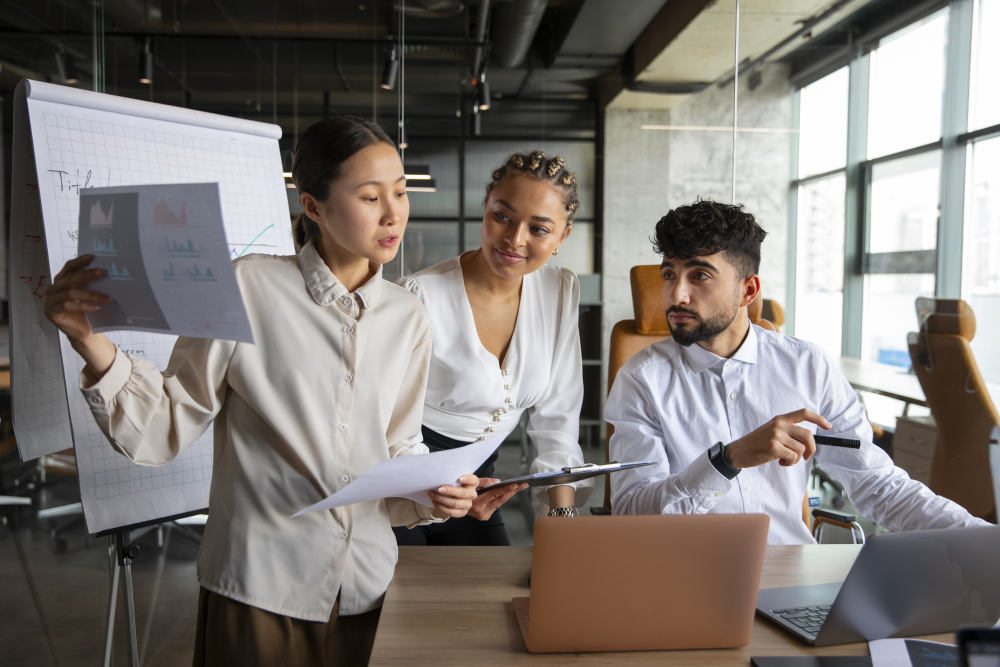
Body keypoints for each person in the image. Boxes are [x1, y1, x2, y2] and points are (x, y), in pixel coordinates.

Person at [42, 117, 480, 666]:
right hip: (260, 588)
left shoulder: (408, 313)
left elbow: (397, 445)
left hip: (365, 585)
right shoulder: (247, 286)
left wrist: (435, 489)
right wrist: (90, 341)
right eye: (370, 196)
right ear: (314, 207)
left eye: (400, 192)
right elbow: (167, 421)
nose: (394, 214)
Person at [606, 199, 989, 544]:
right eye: (669, 274)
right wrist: (728, 460)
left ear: (748, 290)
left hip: (793, 572)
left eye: (699, 276)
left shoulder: (808, 367)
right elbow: (633, 513)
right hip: (689, 582)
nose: (676, 295)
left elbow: (878, 485)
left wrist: (983, 541)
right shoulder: (641, 380)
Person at [392, 150, 593, 547]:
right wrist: (435, 493)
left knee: (496, 600)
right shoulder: (418, 295)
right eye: (502, 216)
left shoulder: (560, 289)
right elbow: (383, 421)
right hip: (403, 485)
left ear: (562, 237)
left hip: (480, 487)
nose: (514, 240)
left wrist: (563, 514)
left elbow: (558, 419)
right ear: (485, 208)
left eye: (539, 229)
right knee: (402, 603)